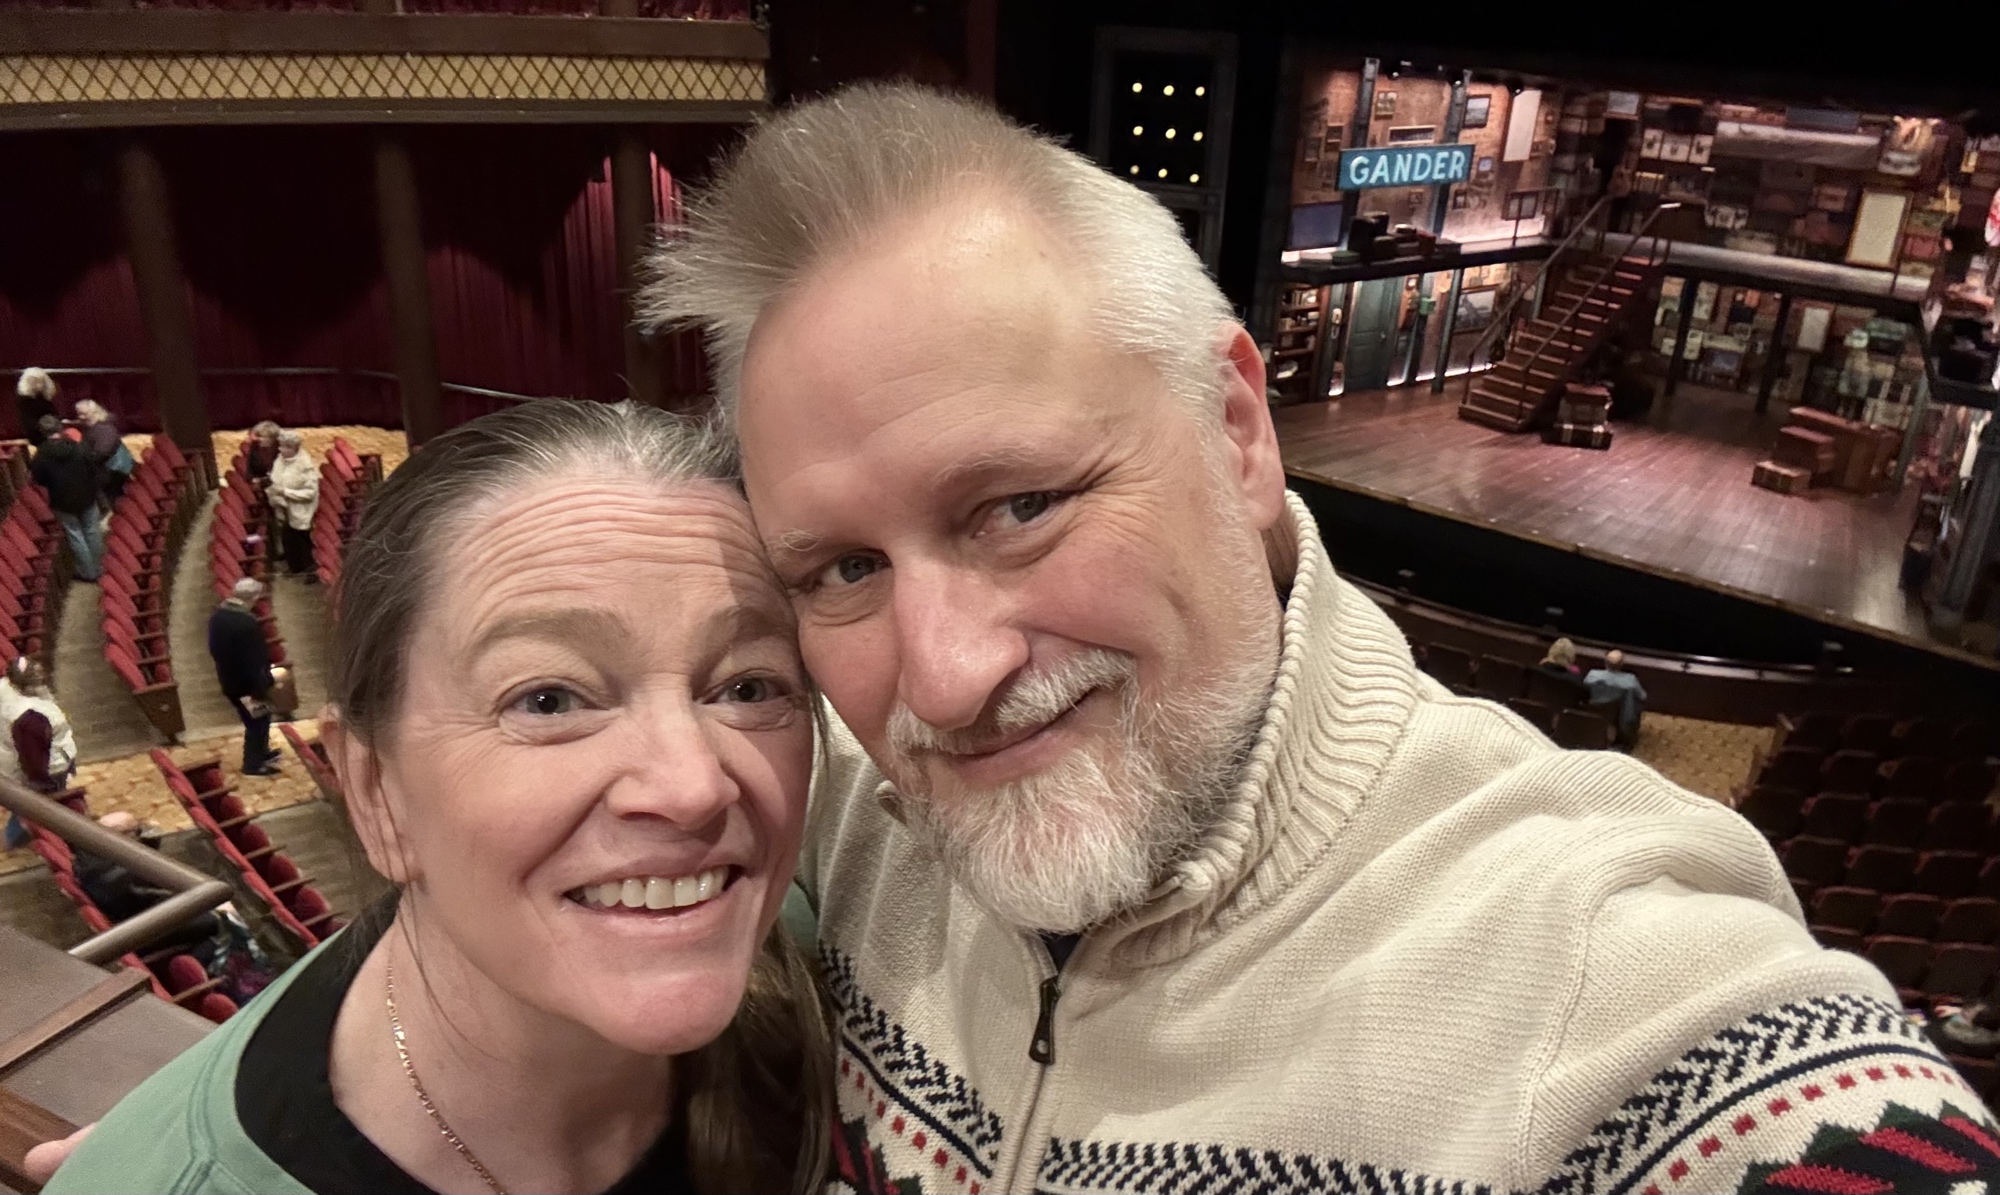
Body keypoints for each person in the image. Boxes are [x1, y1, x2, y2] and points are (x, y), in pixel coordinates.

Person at [643, 84, 1998, 1192]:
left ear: (1236, 431)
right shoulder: (836, 805)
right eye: (844, 567)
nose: (943, 680)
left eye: (1020, 505)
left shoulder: (1610, 986)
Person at [45, 400, 832, 1195]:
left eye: (747, 686)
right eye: (549, 699)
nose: (693, 786)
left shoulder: (832, 957)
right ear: (374, 788)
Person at [0, 655, 77, 849]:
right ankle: (13, 839)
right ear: (27, 684)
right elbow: (34, 761)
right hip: (48, 767)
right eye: (37, 676)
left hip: (12, 757)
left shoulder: (4, 688)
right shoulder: (31, 718)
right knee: (38, 804)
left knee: (27, 802)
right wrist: (42, 782)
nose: (42, 676)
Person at [207, 579, 282, 777]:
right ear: (253, 597)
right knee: (257, 722)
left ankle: (263, 753)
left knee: (259, 719)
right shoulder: (247, 624)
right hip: (248, 686)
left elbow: (213, 649)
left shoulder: (218, 616)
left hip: (229, 680)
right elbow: (254, 661)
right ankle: (253, 764)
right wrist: (261, 687)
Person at [30, 414, 103, 582]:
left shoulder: (41, 456)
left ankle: (89, 572)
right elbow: (92, 468)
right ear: (60, 428)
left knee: (75, 535)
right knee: (92, 530)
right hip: (86, 495)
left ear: (42, 432)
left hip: (62, 501)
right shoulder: (78, 447)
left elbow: (40, 480)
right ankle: (97, 567)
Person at [266, 430, 320, 582]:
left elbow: (310, 493)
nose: (280, 449)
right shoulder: (280, 461)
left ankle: (311, 571)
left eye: (284, 447)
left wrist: (285, 492)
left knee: (302, 543)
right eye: (280, 446)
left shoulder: (304, 465)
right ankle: (295, 568)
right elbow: (276, 479)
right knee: (288, 540)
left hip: (300, 509)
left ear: (293, 448)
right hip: (284, 508)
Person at [73, 399, 136, 508]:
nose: (80, 417)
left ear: (94, 413)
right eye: (78, 414)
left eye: (83, 414)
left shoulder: (104, 430)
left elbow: (101, 454)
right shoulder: (91, 427)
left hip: (115, 472)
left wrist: (83, 460)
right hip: (107, 469)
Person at [1584, 647, 1649, 747]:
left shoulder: (1591, 676)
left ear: (1605, 662)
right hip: (1619, 718)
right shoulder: (1630, 681)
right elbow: (1643, 696)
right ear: (1622, 664)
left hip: (1593, 713)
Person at [15, 367, 58, 441]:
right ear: (28, 383)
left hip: (50, 434)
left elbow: (53, 417)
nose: (39, 385)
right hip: (36, 437)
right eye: (34, 381)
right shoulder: (24, 401)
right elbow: (29, 424)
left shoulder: (46, 399)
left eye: (41, 381)